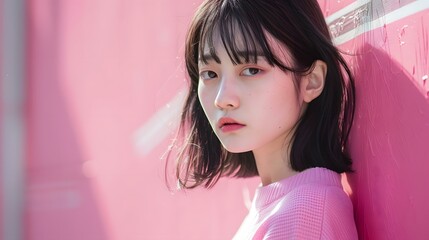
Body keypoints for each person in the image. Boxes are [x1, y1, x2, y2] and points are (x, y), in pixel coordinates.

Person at [169, 0, 358, 239]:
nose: (222, 98)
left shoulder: (303, 213)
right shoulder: (278, 207)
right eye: (210, 74)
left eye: (251, 70)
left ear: (312, 81)